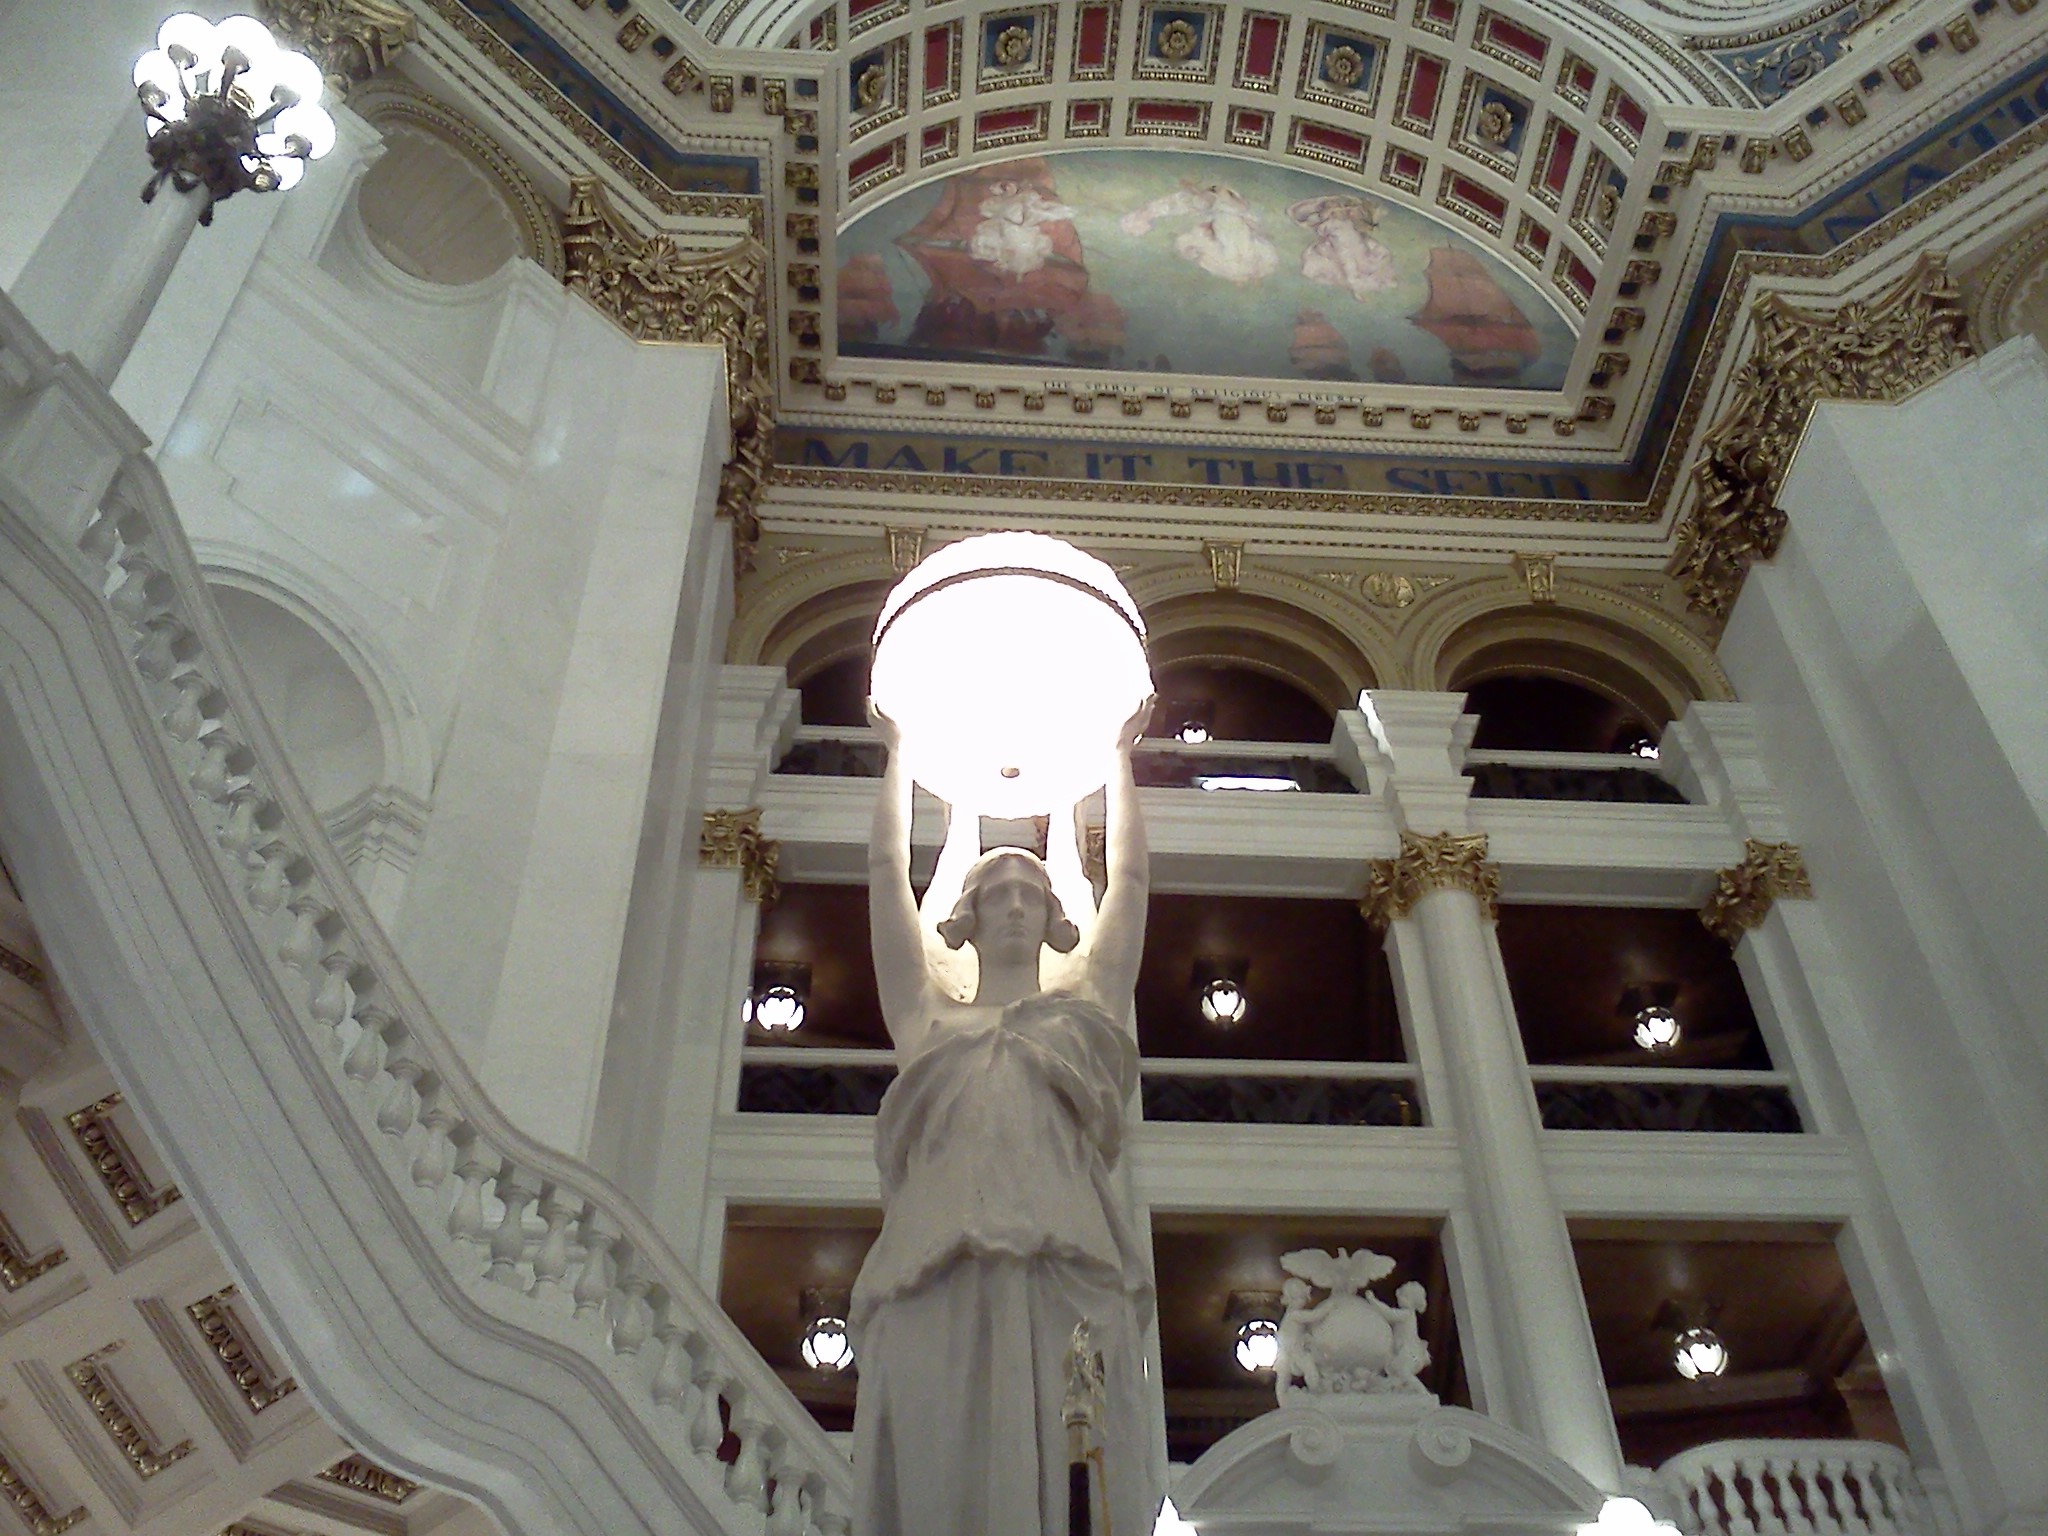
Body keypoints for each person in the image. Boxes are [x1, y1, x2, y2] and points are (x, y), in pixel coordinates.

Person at [850, 701, 1163, 1536]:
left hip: (1067, 1256)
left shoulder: (1086, 1014)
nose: (1017, 903)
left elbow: (1128, 883)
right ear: (967, 914)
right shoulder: (927, 1020)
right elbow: (886, 872)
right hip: (934, 1259)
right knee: (939, 1457)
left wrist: (1119, 759)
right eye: (1000, 891)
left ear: (1058, 915)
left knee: (1080, 1460)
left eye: (1032, 891)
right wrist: (899, 756)